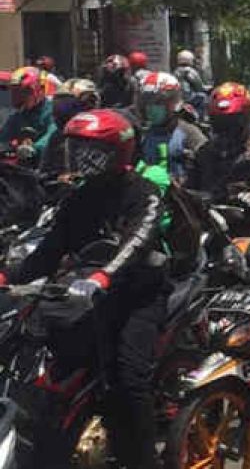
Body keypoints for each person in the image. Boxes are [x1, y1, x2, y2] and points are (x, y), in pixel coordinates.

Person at [0, 109, 166, 469]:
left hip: (136, 295)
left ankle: (142, 458)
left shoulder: (143, 192)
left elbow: (137, 241)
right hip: (82, 294)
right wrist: (8, 277)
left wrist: (103, 277)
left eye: (87, 149)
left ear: (114, 152)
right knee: (31, 348)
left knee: (128, 376)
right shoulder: (78, 197)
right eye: (74, 148)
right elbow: (49, 250)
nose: (76, 156)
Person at [188, 83, 250, 233]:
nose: (226, 130)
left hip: (249, 226)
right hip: (210, 226)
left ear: (247, 119)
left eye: (232, 123)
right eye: (220, 123)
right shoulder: (204, 151)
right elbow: (190, 188)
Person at [136, 72, 206, 188]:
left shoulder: (189, 133)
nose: (151, 107)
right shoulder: (142, 135)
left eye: (158, 103)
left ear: (173, 103)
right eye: (147, 103)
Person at [39, 78, 99, 180]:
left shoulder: (97, 134)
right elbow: (45, 169)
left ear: (87, 105)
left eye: (66, 106)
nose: (60, 112)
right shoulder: (57, 136)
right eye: (57, 106)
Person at [0, 65, 55, 160]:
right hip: (23, 166)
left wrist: (34, 148)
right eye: (17, 92)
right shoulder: (18, 115)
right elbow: (4, 137)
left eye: (25, 92)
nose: (21, 97)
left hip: (46, 166)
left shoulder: (52, 111)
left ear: (40, 90)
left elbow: (52, 134)